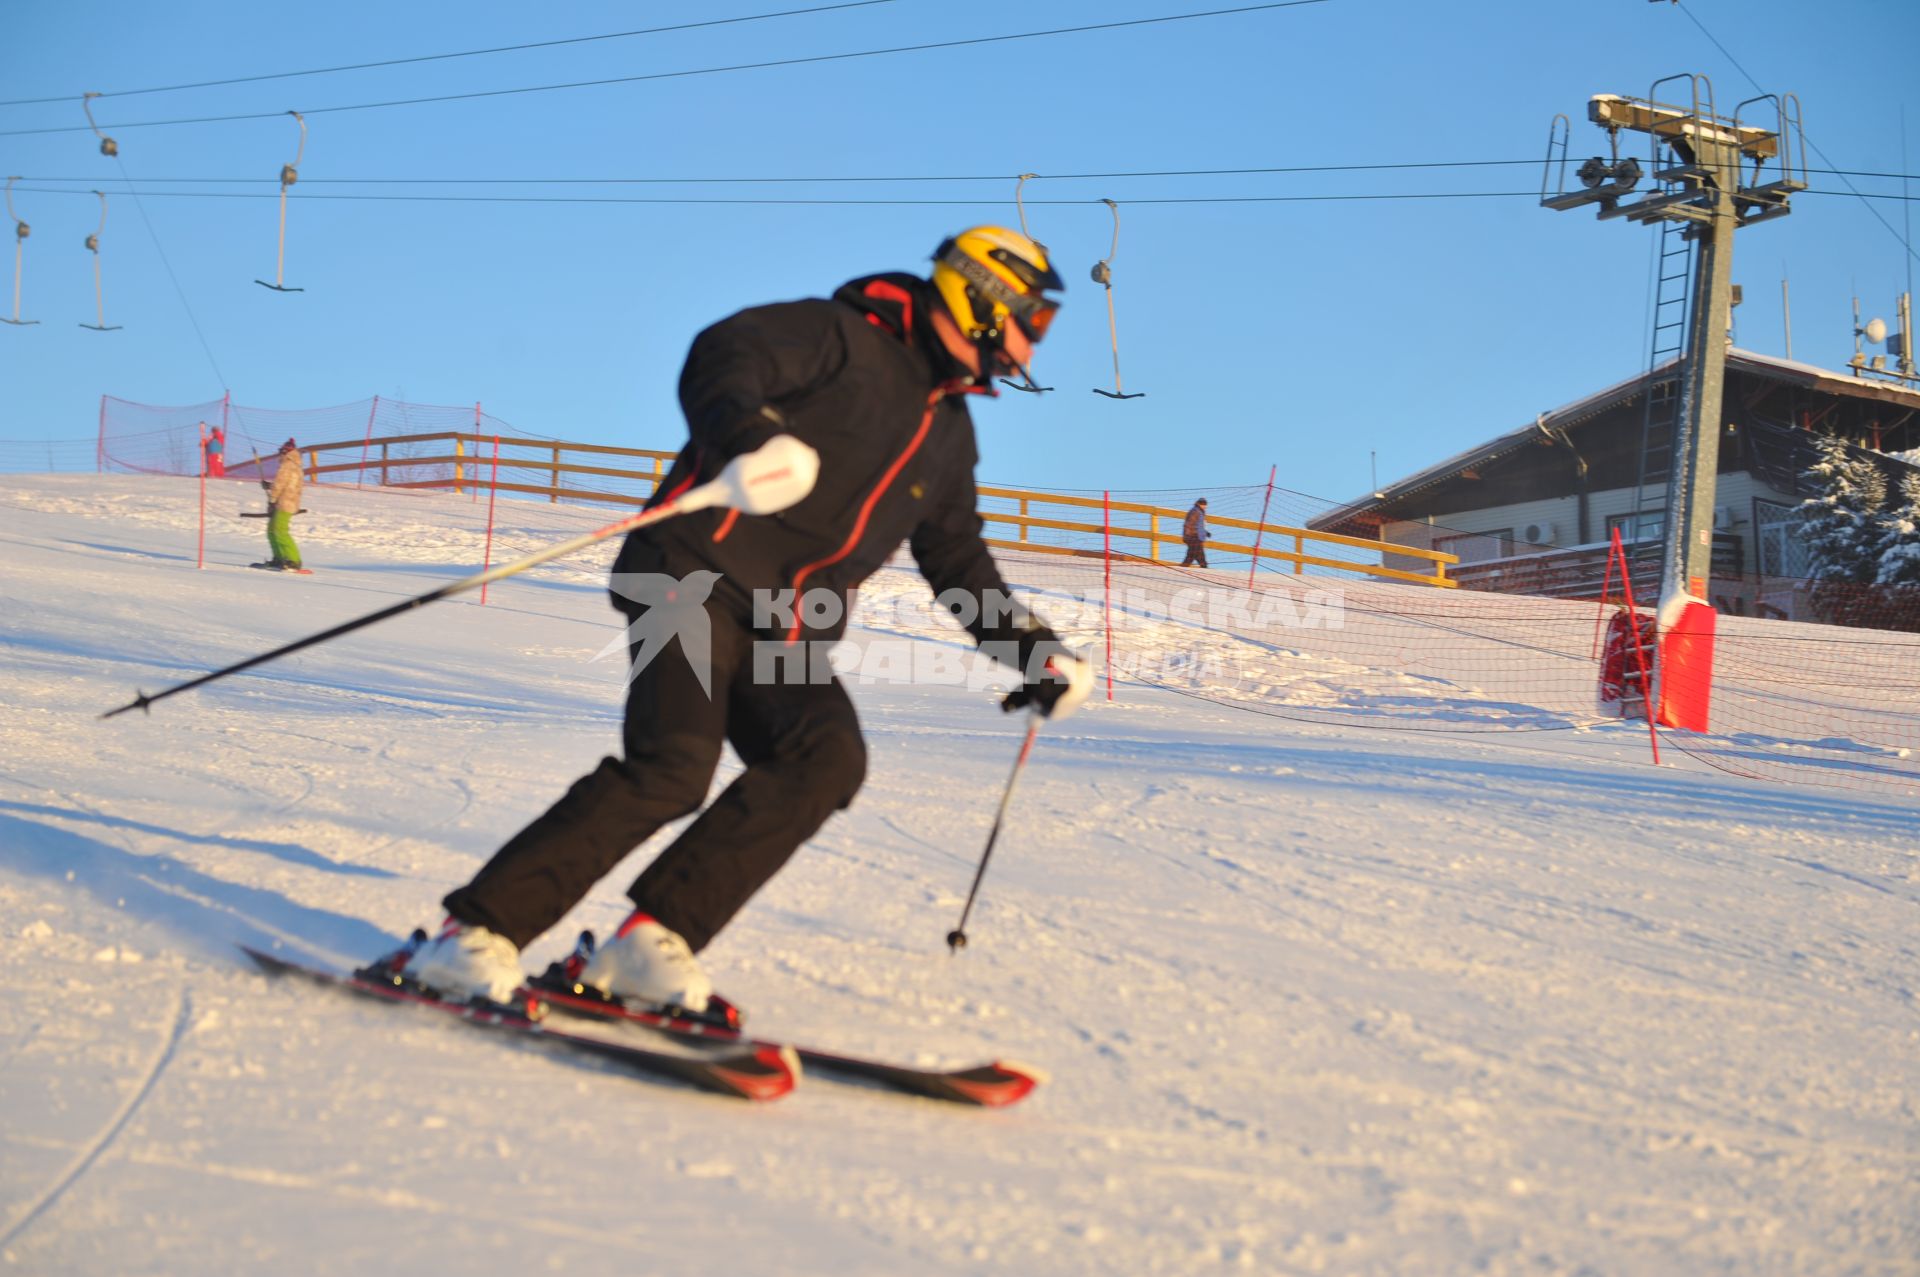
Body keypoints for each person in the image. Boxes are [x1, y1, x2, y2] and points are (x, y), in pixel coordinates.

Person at [405, 226, 1094, 1009]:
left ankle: (648, 942)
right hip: (687, 578)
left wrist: (1035, 651)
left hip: (789, 626)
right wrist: (751, 439)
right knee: (673, 765)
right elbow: (722, 353)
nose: (1032, 350)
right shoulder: (839, 336)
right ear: (980, 298)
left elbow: (958, 560)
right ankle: (472, 937)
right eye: (1031, 323)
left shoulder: (949, 431)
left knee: (825, 756)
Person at [254, 439, 305, 571]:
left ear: (286, 452)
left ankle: (294, 560)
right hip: (287, 503)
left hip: (284, 504)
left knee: (280, 531)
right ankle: (279, 558)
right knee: (272, 531)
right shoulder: (295, 466)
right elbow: (287, 485)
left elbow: (279, 485)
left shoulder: (287, 465)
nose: (279, 455)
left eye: (281, 452)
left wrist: (272, 499)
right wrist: (269, 486)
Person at [1181, 497, 1210, 567]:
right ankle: (1203, 567)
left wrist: (1206, 533)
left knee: (1196, 554)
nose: (1205, 506)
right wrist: (1187, 536)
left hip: (1197, 537)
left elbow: (1199, 526)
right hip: (1193, 536)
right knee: (1194, 555)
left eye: (1205, 505)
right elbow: (1189, 524)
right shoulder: (1195, 511)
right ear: (1199, 504)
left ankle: (1203, 566)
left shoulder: (1200, 512)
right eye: (1203, 504)